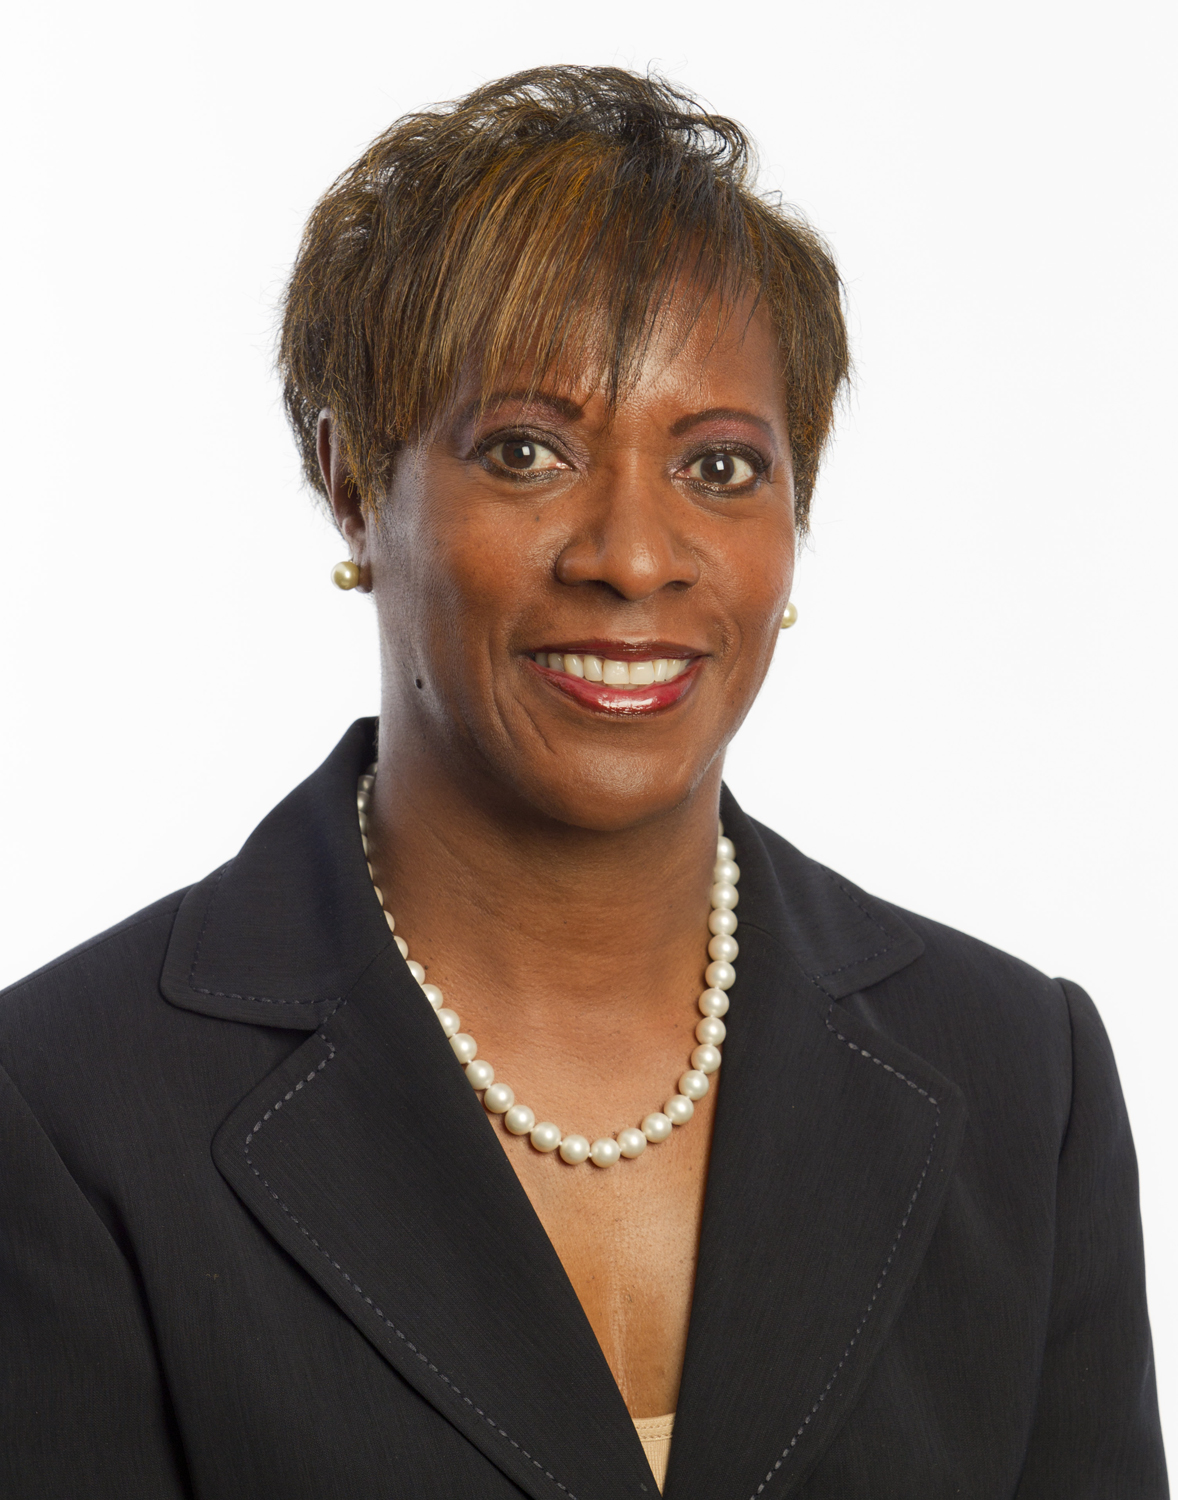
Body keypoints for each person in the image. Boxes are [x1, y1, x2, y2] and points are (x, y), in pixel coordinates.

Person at [0, 65, 1166, 1500]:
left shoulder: (1021, 1078)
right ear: (353, 483)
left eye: (720, 467)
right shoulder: (63, 1107)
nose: (632, 555)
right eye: (526, 451)